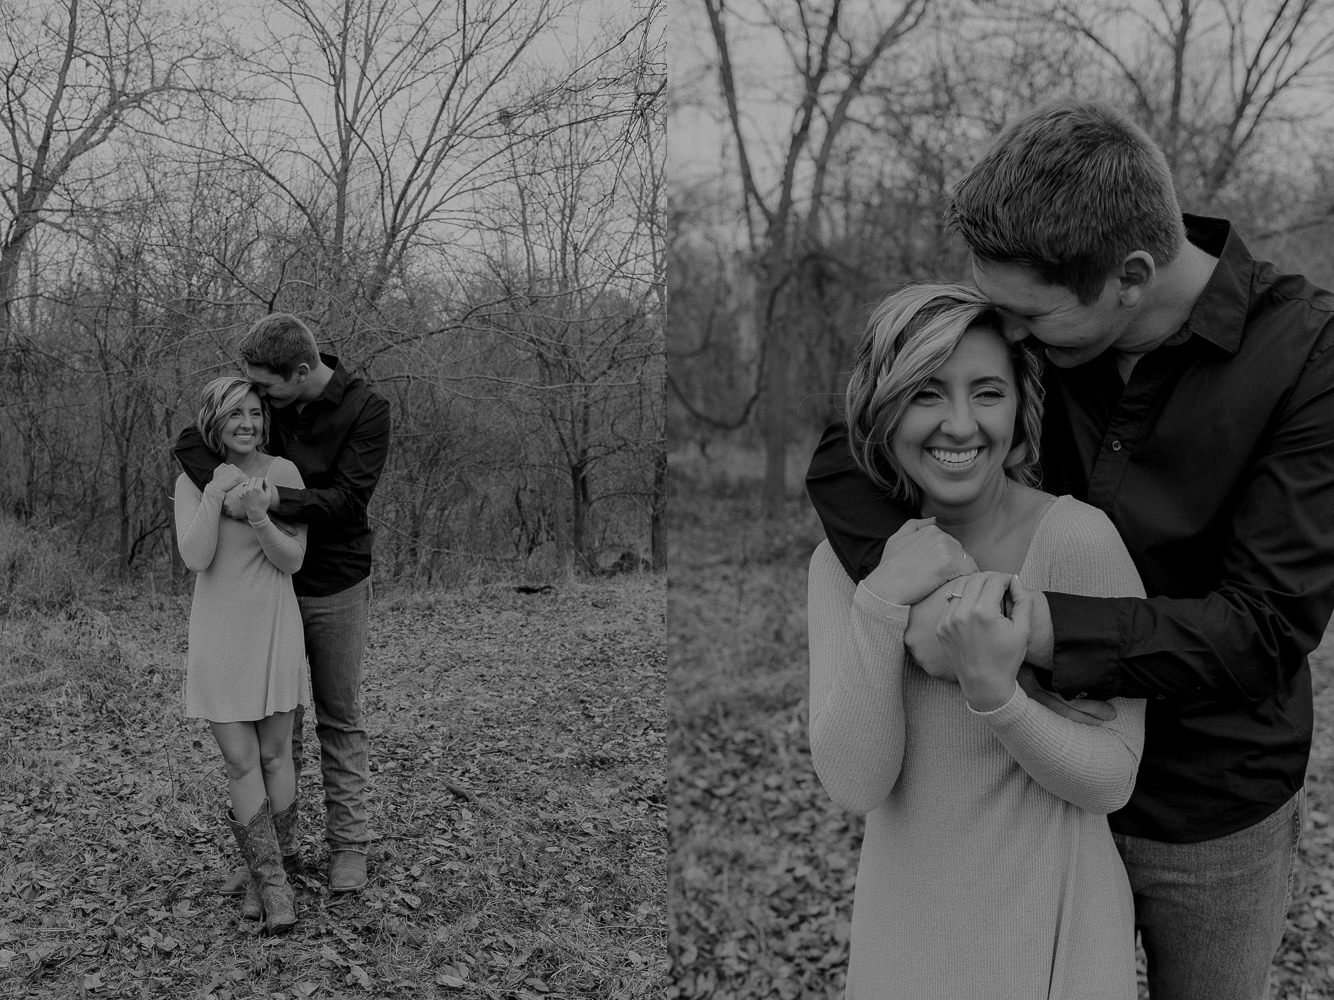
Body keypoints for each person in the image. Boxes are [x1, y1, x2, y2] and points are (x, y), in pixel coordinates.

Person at [807, 98, 1334, 999]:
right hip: (1024, 793)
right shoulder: (1040, 301)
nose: (1010, 337)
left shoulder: (1307, 358)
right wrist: (926, 604)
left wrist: (1024, 625)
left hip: (1208, 805)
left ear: (1129, 276)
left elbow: (1264, 628)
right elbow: (851, 451)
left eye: (1029, 323)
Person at [809, 282, 1146, 998]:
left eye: (987, 393)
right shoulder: (842, 566)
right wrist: (880, 603)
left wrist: (999, 696)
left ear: (1019, 411)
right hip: (906, 933)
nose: (959, 425)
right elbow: (854, 780)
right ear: (883, 407)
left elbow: (1113, 776)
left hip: (1055, 933)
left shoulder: (1078, 540)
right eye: (927, 393)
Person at [175, 314, 392, 895]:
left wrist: (273, 500)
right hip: (264, 588)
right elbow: (190, 439)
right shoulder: (268, 402)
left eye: (265, 390)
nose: (259, 402)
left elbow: (348, 502)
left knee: (339, 717)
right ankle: (272, 859)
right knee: (280, 731)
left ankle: (348, 844)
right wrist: (226, 489)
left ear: (298, 374)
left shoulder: (367, 411)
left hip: (333, 583)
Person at [174, 377, 308, 934]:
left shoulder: (283, 475)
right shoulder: (191, 482)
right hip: (219, 633)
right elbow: (197, 557)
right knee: (238, 759)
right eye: (236, 415)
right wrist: (213, 491)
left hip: (274, 625)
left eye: (255, 412)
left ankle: (270, 882)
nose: (248, 423)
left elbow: (293, 559)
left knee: (276, 756)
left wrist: (257, 513)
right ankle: (269, 879)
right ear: (216, 423)